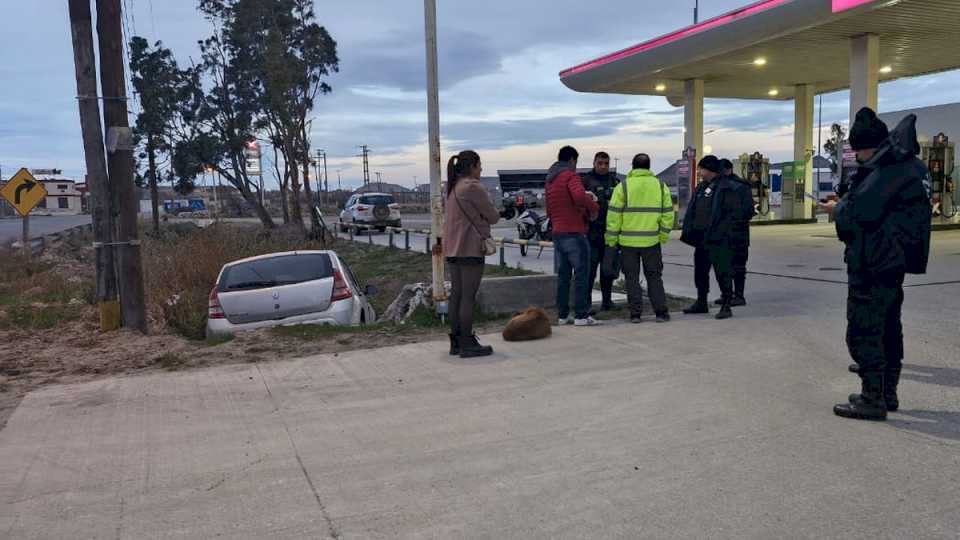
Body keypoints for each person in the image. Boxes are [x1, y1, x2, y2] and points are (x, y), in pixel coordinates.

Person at [820, 108, 932, 421]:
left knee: (865, 327)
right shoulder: (910, 165)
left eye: (860, 151)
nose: (859, 157)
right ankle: (888, 392)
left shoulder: (888, 170)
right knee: (888, 326)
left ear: (872, 146)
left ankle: (872, 397)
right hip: (892, 261)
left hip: (874, 259)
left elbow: (860, 213)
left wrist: (837, 208)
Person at [443, 150, 501, 358]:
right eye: (480, 165)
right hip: (469, 248)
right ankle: (468, 343)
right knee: (468, 297)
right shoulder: (473, 187)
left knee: (456, 295)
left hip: (453, 249)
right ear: (473, 166)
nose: (481, 169)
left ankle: (456, 341)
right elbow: (493, 217)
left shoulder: (452, 187)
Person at [605, 153, 674, 324]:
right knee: (654, 277)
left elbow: (613, 216)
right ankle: (661, 312)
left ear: (632, 166)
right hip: (652, 242)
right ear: (649, 166)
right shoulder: (660, 186)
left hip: (627, 243)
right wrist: (663, 235)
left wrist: (612, 241)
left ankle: (635, 314)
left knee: (631, 279)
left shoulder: (623, 187)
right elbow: (668, 214)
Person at [679, 155, 747, 320]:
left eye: (701, 169)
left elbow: (733, 215)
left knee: (722, 272)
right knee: (700, 272)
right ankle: (701, 302)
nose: (699, 172)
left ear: (709, 169)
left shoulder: (726, 188)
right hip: (701, 238)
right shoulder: (702, 187)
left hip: (719, 239)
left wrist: (722, 232)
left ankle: (726, 305)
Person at [545, 145, 600, 326]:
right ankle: (581, 316)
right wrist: (593, 208)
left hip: (558, 233)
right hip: (574, 232)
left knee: (564, 276)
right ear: (572, 160)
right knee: (582, 275)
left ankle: (563, 315)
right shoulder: (570, 175)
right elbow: (578, 196)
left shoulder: (550, 180)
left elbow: (549, 208)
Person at [581, 151, 620, 311]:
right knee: (590, 272)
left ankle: (607, 301)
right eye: (600, 163)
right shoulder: (585, 181)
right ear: (594, 163)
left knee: (608, 271)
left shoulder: (615, 181)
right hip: (592, 234)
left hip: (609, 233)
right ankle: (587, 304)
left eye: (606, 163)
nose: (603, 166)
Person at [717, 158, 756, 306]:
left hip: (738, 234)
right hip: (723, 234)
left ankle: (739, 296)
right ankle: (726, 295)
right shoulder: (718, 186)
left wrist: (732, 219)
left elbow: (749, 211)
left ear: (728, 170)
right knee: (723, 265)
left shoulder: (741, 187)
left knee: (738, 266)